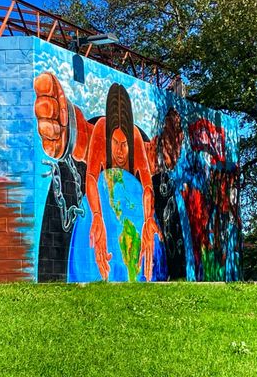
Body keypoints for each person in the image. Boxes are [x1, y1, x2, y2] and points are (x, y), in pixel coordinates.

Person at [34, 72, 162, 281]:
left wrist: (148, 218)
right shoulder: (101, 129)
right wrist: (97, 217)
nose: (120, 152)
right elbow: (91, 177)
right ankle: (74, 132)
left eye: (124, 145)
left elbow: (148, 185)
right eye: (115, 143)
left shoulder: (136, 138)